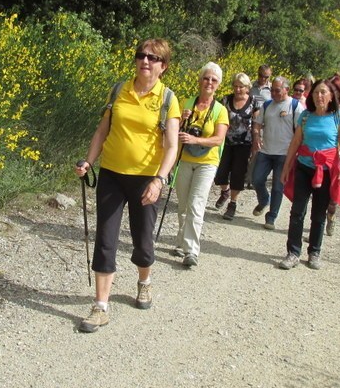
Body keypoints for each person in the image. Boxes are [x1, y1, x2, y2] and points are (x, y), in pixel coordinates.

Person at [73, 39, 181, 333]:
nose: (145, 61)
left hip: (146, 179)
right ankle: (100, 307)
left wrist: (159, 180)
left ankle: (144, 281)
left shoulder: (168, 99)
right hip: (111, 174)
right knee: (105, 238)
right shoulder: (119, 90)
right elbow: (102, 130)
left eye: (153, 58)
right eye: (141, 55)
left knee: (143, 241)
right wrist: (89, 161)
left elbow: (171, 146)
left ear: (163, 66)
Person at [279, 77, 340, 269]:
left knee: (319, 214)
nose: (319, 95)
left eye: (323, 92)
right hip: (304, 168)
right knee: (297, 211)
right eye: (316, 92)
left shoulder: (338, 117)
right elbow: (295, 143)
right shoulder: (305, 116)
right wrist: (286, 167)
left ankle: (314, 252)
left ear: (331, 96)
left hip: (327, 171)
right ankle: (293, 253)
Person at [173, 63, 229, 267]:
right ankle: (181, 242)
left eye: (214, 80)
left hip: (207, 162)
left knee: (196, 204)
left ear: (218, 85)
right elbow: (171, 131)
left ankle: (191, 251)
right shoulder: (186, 103)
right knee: (183, 204)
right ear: (200, 80)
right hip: (184, 159)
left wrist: (195, 140)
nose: (209, 82)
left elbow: (218, 139)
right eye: (206, 78)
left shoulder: (221, 110)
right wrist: (181, 121)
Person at [251, 77, 305, 230]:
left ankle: (271, 217)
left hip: (284, 153)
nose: (273, 93)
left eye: (277, 90)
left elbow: (300, 132)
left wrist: (296, 152)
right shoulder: (267, 105)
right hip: (266, 150)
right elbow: (257, 123)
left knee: (277, 186)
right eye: (272, 90)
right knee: (256, 179)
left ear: (286, 90)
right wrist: (256, 137)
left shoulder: (295, 106)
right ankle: (264, 200)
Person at [213, 73, 257, 221]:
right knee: (221, 173)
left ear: (247, 87)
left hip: (244, 144)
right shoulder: (225, 100)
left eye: (241, 87)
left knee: (238, 174)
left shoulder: (253, 102)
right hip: (226, 142)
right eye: (236, 86)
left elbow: (256, 124)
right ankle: (224, 192)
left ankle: (232, 203)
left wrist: (256, 143)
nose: (238, 89)